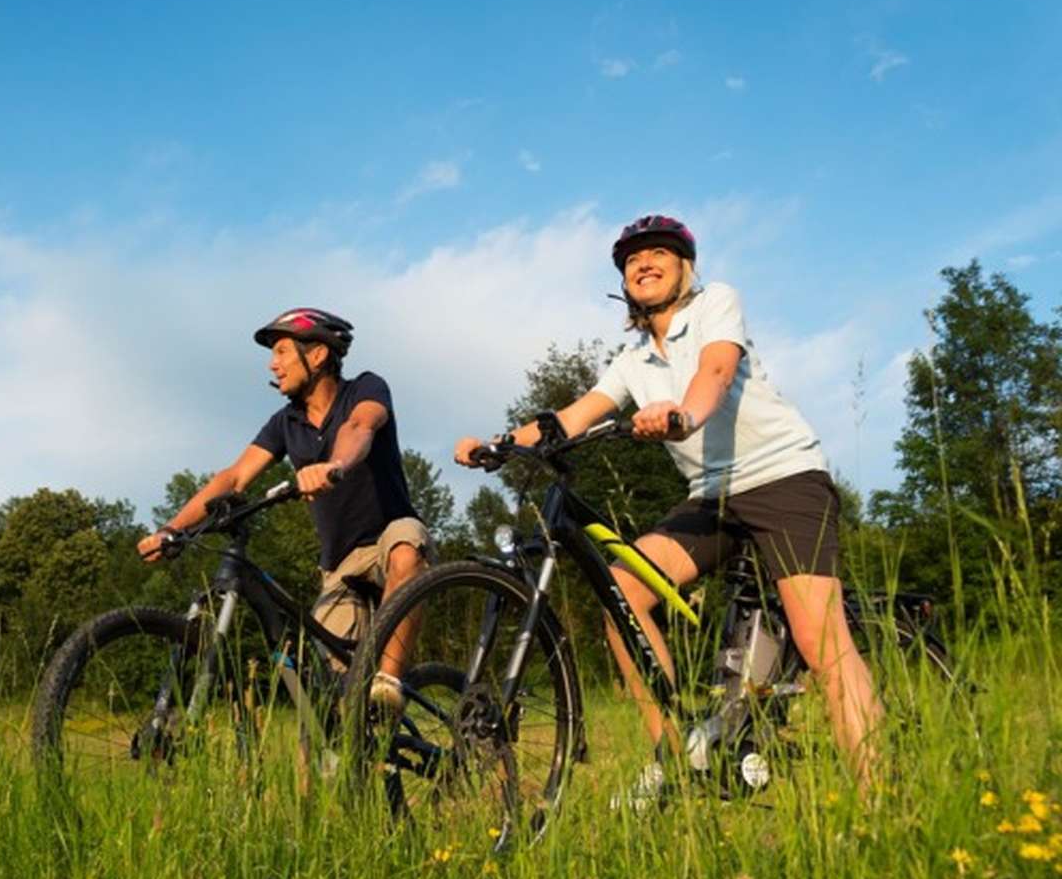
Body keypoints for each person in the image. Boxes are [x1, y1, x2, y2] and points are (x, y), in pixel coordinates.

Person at [454, 215, 884, 797]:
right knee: (623, 593)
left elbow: (716, 370)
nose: (643, 263)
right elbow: (572, 417)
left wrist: (683, 415)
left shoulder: (714, 306)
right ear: (623, 282)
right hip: (710, 498)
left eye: (659, 253)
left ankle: (882, 793)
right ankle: (678, 755)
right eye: (632, 260)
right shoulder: (633, 361)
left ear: (686, 267)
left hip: (783, 477)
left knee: (819, 640)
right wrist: (501, 444)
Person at [138, 308, 430, 712]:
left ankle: (389, 685)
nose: (272, 365)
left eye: (280, 352)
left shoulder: (365, 388)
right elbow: (235, 477)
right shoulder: (285, 422)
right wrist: (172, 529)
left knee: (407, 548)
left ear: (317, 355)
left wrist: (335, 466)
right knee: (327, 707)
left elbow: (359, 427)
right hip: (339, 566)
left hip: (386, 538)